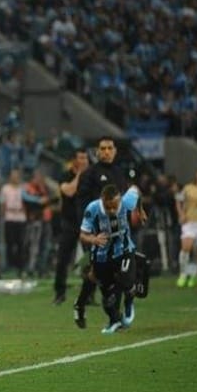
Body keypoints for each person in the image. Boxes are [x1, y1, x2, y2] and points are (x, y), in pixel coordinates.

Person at [73, 136, 141, 328]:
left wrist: (135, 215)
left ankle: (114, 316)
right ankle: (88, 307)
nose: (106, 152)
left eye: (110, 148)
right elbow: (82, 206)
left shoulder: (119, 173)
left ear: (115, 151)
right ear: (97, 152)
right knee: (99, 277)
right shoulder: (89, 174)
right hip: (98, 237)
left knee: (117, 276)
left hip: (119, 235)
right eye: (102, 148)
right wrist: (88, 235)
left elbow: (129, 198)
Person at [79, 184, 141, 334]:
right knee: (107, 294)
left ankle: (129, 302)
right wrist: (94, 239)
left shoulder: (127, 201)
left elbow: (135, 189)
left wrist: (140, 210)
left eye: (115, 206)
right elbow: (83, 234)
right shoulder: (93, 208)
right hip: (103, 256)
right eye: (108, 207)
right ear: (102, 200)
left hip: (125, 250)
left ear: (119, 200)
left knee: (126, 281)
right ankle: (114, 321)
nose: (112, 210)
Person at [53, 149, 89, 304]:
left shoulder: (91, 177)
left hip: (86, 224)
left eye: (86, 158)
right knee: (63, 259)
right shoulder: (65, 176)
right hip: (69, 223)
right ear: (74, 160)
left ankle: (89, 294)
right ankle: (59, 293)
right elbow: (69, 192)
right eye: (81, 158)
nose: (84, 161)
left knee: (90, 258)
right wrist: (80, 175)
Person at [175, 165, 197, 288]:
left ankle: (194, 274)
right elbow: (178, 200)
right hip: (190, 223)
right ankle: (183, 274)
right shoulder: (188, 188)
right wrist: (181, 214)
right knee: (186, 246)